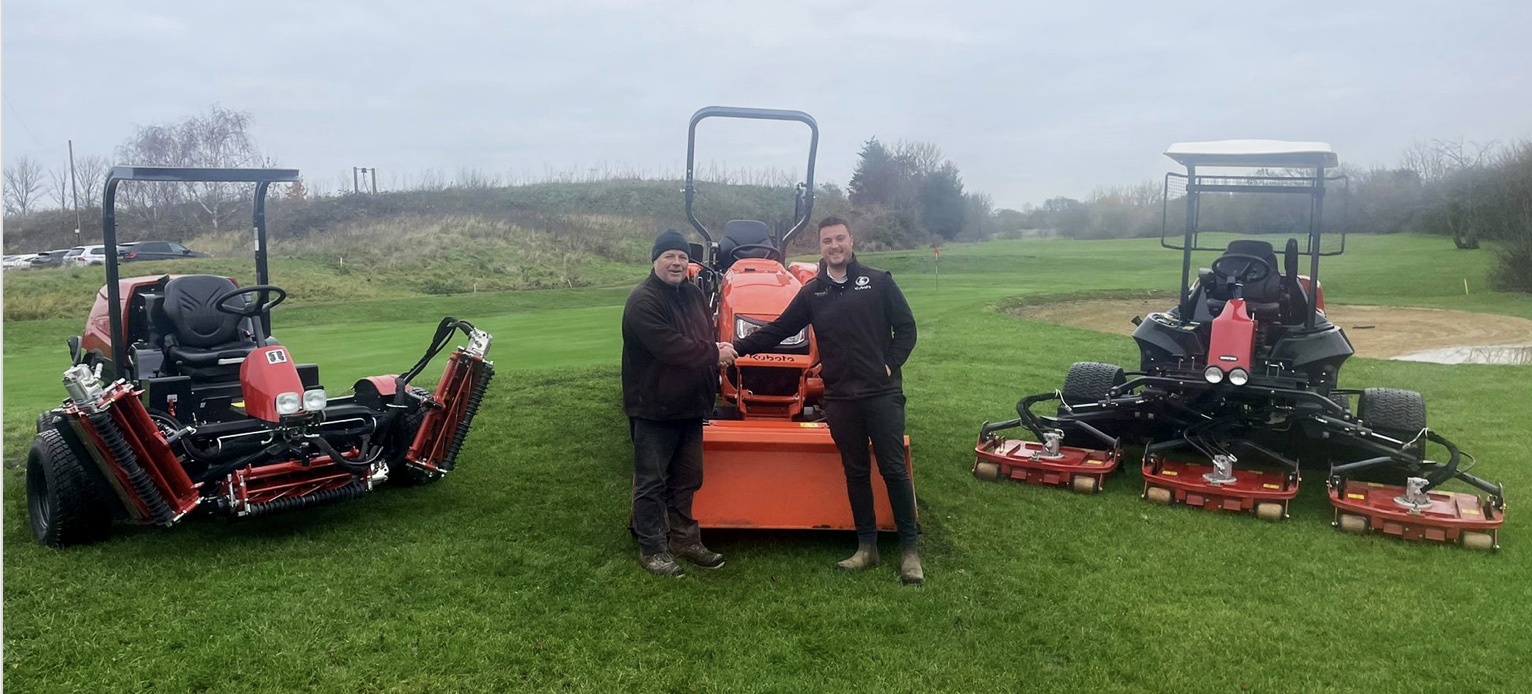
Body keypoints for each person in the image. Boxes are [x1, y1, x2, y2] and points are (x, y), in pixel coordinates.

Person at [732, 216, 922, 584]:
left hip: (880, 394)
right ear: (820, 247)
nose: (834, 246)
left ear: (851, 241)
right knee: (854, 471)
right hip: (840, 398)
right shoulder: (812, 292)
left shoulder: (879, 282)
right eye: (827, 241)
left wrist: (888, 365)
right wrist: (734, 348)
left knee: (893, 469)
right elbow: (778, 331)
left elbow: (907, 328)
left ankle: (910, 552)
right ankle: (866, 547)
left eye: (839, 239)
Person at [621, 229, 737, 577]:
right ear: (655, 259)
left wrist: (711, 383)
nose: (676, 262)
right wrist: (714, 354)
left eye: (682, 257)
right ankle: (652, 548)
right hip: (654, 407)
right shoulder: (643, 300)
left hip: (688, 406)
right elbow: (670, 347)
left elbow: (703, 335)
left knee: (688, 478)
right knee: (651, 481)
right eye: (669, 256)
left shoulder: (692, 295)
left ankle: (684, 540)